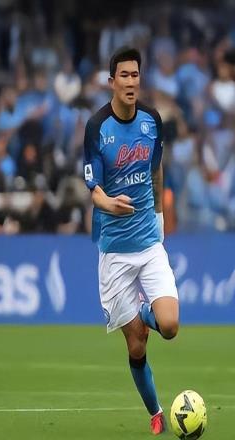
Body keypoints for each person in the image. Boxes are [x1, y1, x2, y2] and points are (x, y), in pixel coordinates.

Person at [83, 46, 179, 435]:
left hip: (149, 243)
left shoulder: (152, 121)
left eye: (135, 75)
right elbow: (93, 187)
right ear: (112, 82)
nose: (131, 81)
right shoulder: (97, 127)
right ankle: (156, 412)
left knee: (169, 326)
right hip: (115, 254)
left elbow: (156, 171)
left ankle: (143, 311)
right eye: (124, 75)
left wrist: (159, 216)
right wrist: (108, 203)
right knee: (137, 345)